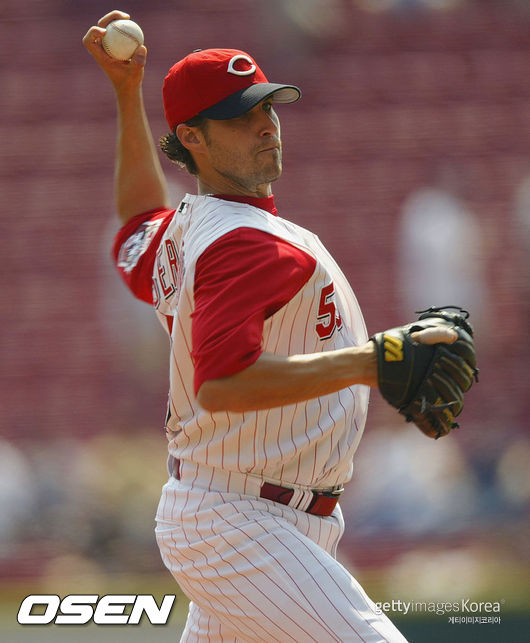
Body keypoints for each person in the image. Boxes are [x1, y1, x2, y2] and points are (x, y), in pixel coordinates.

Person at [83, 10, 454, 642]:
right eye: (239, 117)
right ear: (192, 137)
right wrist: (370, 362)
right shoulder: (242, 242)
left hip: (250, 515)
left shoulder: (189, 227)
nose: (264, 127)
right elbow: (222, 384)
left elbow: (135, 222)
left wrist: (125, 93)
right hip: (242, 521)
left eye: (267, 108)